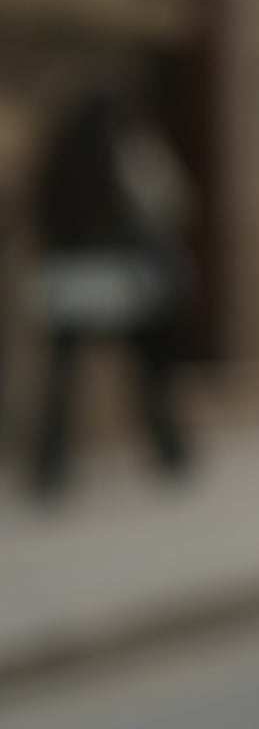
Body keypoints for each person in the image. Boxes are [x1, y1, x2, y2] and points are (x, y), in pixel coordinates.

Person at [29, 85, 193, 492]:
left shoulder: (60, 159)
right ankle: (169, 451)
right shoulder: (126, 153)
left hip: (70, 280)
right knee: (148, 370)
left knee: (64, 379)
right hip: (120, 278)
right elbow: (170, 200)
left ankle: (51, 465)